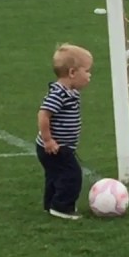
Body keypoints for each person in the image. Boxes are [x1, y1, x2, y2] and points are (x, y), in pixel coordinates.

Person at [36, 44, 93, 220]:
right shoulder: (58, 93)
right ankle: (63, 207)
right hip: (56, 147)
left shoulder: (70, 92)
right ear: (72, 73)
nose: (89, 75)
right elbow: (43, 114)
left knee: (55, 176)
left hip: (58, 147)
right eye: (87, 71)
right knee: (71, 176)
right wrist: (48, 140)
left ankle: (51, 204)